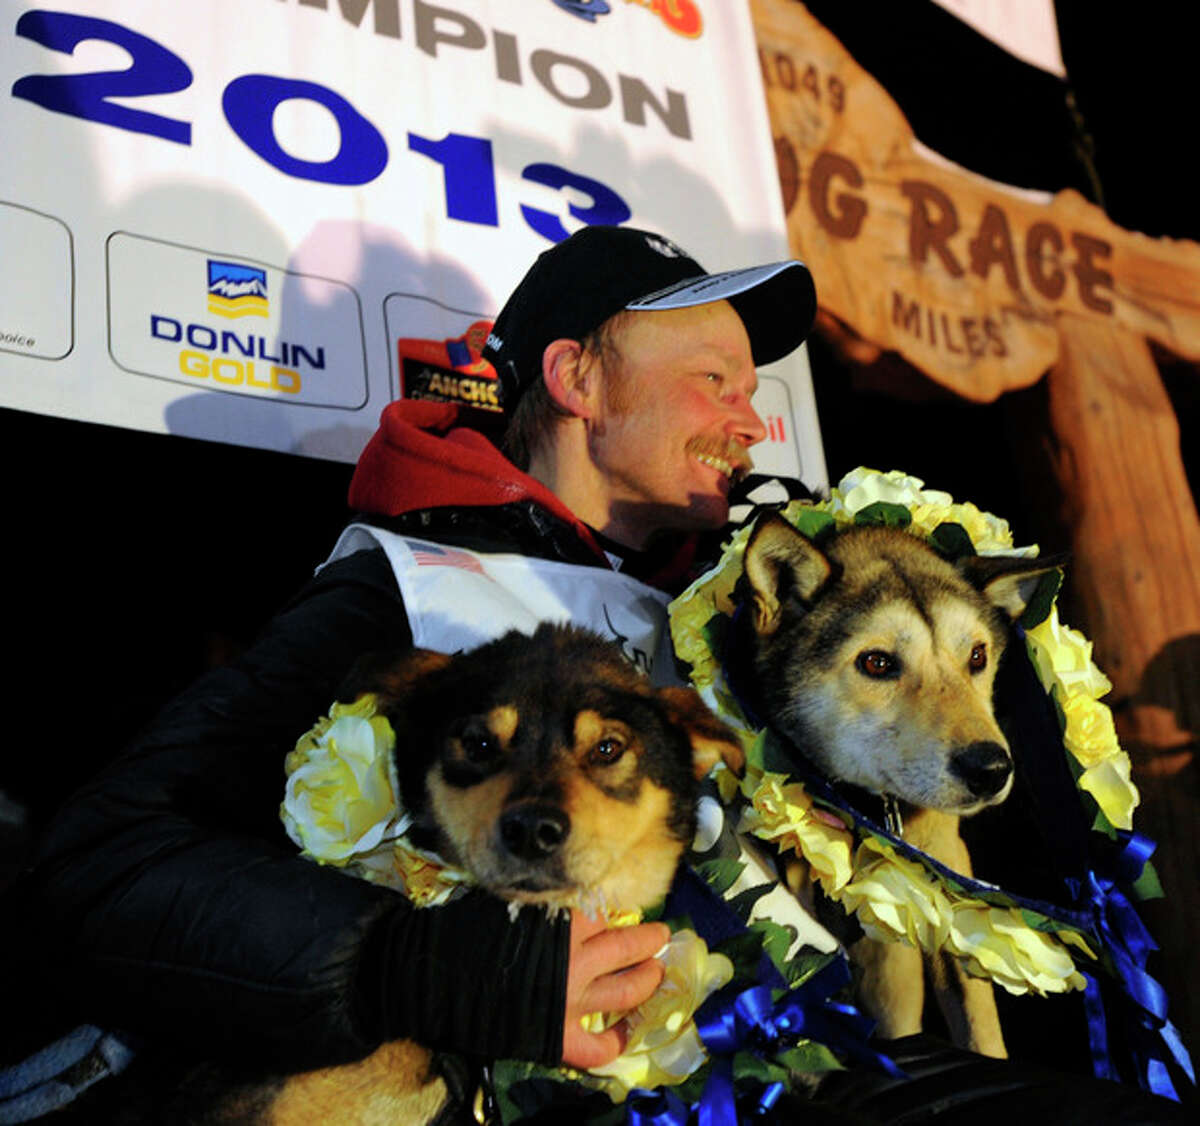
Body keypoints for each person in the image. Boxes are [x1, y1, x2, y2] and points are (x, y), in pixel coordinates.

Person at [9, 226, 1187, 1125]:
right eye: (714, 382)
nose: (749, 422)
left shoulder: (728, 611)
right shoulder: (408, 584)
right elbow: (108, 861)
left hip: (807, 1068)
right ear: (578, 382)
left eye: (753, 392)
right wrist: (421, 965)